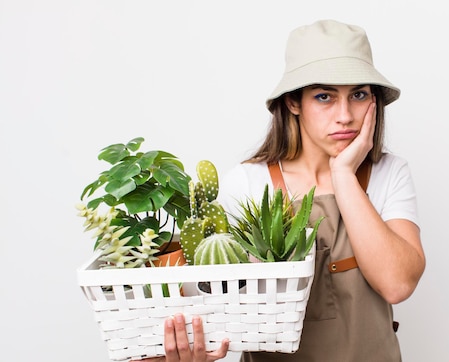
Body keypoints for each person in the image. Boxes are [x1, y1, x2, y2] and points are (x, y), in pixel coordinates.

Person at [135, 19, 426, 362]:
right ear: (293, 102)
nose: (345, 116)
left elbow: (397, 284)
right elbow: (209, 301)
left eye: (359, 95)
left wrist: (344, 174)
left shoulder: (388, 173)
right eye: (324, 97)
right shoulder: (247, 182)